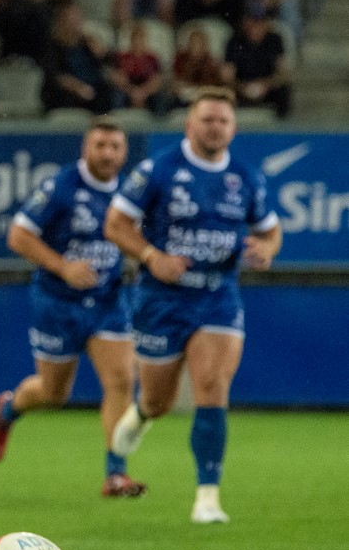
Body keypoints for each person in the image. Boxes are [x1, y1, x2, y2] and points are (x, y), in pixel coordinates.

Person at [104, 86, 282, 523]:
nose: (215, 127)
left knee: (212, 387)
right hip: (161, 299)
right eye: (207, 119)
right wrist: (151, 257)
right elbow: (116, 224)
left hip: (218, 296)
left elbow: (270, 230)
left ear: (234, 128)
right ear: (189, 124)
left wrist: (266, 250)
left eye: (223, 120)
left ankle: (207, 496)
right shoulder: (159, 170)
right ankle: (143, 413)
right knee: (160, 400)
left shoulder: (247, 177)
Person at [0, 119, 145, 498]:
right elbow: (18, 236)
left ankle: (116, 474)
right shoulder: (60, 187)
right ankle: (7, 410)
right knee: (54, 394)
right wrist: (63, 267)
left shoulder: (129, 191)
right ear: (84, 149)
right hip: (57, 303)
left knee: (122, 380)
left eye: (115, 147)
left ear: (124, 153)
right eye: (100, 145)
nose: (108, 154)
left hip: (108, 301)